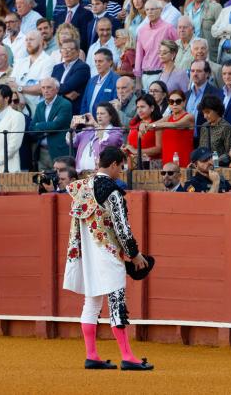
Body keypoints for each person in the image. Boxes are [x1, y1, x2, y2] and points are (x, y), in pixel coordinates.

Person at [63, 146, 153, 371]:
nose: (121, 172)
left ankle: (92, 355)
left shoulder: (82, 188)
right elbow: (122, 228)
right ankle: (127, 357)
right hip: (109, 253)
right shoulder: (112, 191)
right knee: (117, 302)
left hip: (87, 255)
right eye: (121, 167)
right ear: (113, 164)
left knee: (91, 303)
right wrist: (135, 255)